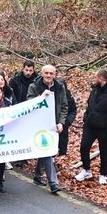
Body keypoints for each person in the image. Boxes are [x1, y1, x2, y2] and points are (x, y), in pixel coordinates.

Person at [75, 70, 107, 185]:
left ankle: (103, 174)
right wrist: (86, 118)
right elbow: (89, 106)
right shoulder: (95, 90)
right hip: (90, 126)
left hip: (104, 129)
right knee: (84, 148)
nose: (95, 79)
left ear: (101, 78)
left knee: (104, 152)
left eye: (96, 77)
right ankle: (86, 170)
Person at [27, 64, 67, 194]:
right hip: (39, 124)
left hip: (53, 125)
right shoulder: (34, 87)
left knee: (45, 150)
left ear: (55, 75)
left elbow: (65, 106)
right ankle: (53, 183)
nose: (49, 76)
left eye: (51, 73)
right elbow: (29, 104)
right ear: (42, 73)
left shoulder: (60, 87)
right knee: (47, 152)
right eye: (46, 73)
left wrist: (61, 122)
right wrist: (42, 97)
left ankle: (38, 176)